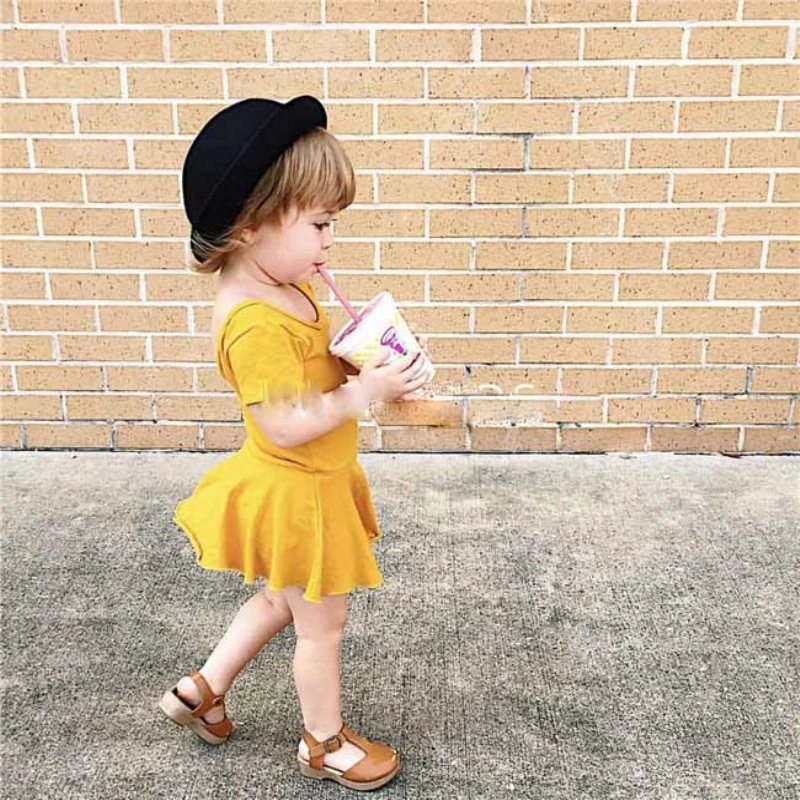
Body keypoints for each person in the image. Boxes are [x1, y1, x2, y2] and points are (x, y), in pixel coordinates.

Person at [158, 96, 428, 791]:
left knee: (281, 601)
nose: (329, 242)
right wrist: (361, 395)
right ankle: (323, 743)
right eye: (319, 223)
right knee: (321, 625)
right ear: (251, 224)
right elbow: (281, 419)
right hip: (297, 489)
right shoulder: (253, 322)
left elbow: (311, 371)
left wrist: (363, 362)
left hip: (305, 481)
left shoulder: (286, 285)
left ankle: (203, 690)